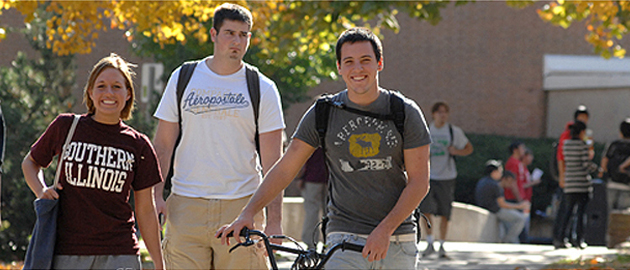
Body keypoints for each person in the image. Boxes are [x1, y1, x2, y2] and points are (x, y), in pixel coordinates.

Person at [217, 27, 431, 270]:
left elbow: (419, 182)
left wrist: (385, 230)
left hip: (398, 240)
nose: (357, 69)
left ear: (379, 63)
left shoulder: (404, 112)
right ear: (339, 67)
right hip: (343, 237)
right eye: (349, 62)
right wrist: (248, 213)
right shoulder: (324, 112)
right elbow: (286, 169)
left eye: (365, 60)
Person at [152, 3, 285, 269]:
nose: (236, 41)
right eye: (229, 33)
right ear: (213, 34)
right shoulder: (183, 77)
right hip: (186, 206)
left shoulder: (263, 88)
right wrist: (156, 196)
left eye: (243, 34)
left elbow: (274, 161)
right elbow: (163, 145)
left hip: (242, 207)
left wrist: (274, 220)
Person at [21, 53, 164, 269]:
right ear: (90, 91)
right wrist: (40, 190)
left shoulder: (139, 145)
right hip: (67, 252)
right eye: (101, 86)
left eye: (117, 87)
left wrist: (160, 264)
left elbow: (145, 210)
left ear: (128, 94)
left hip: (120, 254)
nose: (109, 93)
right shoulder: (66, 127)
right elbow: (30, 163)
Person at [419, 101, 473, 258]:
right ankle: (429, 242)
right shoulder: (426, 130)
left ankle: (442, 245)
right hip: (428, 176)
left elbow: (469, 148)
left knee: (445, 212)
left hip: (447, 176)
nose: (443, 115)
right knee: (426, 210)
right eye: (440, 112)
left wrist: (456, 151)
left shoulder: (453, 131)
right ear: (433, 114)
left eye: (445, 112)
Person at [554, 121, 598, 249]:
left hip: (569, 182)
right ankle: (578, 240)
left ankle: (561, 238)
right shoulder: (583, 145)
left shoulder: (566, 144)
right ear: (582, 132)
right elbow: (586, 164)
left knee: (567, 212)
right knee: (581, 213)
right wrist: (596, 168)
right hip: (581, 183)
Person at [475, 161, 530, 244]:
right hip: (495, 210)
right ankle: (507, 240)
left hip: (485, 208)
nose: (501, 174)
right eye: (500, 172)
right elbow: (502, 204)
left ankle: (511, 240)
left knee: (509, 224)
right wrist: (520, 206)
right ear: (494, 172)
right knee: (521, 218)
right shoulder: (495, 185)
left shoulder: (482, 181)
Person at [297, 147, 329, 250]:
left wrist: (299, 177)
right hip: (330, 178)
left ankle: (311, 244)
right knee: (330, 213)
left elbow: (301, 156)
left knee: (312, 212)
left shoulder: (311, 133)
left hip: (312, 177)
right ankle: (328, 242)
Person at [599, 118, 630, 212]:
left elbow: (604, 161)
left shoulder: (613, 145)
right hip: (627, 184)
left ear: (620, 132)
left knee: (610, 213)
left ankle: (610, 227)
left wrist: (606, 173)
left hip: (612, 183)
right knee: (623, 215)